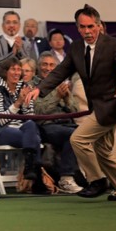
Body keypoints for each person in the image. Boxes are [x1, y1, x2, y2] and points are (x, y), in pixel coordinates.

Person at [27, 4, 116, 201]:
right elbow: (60, 71)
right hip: (96, 108)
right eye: (82, 27)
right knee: (104, 153)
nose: (87, 31)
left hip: (111, 107)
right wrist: (40, 89)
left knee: (78, 140)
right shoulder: (75, 48)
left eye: (91, 26)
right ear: (77, 28)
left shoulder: (115, 45)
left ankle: (97, 181)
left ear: (99, 26)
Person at [0, 58, 42, 186]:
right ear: (5, 72)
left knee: (31, 126)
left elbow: (30, 117)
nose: (17, 73)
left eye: (19, 69)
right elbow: (1, 119)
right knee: (34, 139)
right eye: (13, 69)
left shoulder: (24, 89)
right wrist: (18, 102)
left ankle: (30, 169)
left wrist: (25, 102)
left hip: (22, 129)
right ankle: (36, 177)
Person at [33, 52, 83, 193]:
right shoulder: (33, 85)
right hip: (46, 126)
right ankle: (66, 178)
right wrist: (57, 97)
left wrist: (66, 97)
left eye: (51, 65)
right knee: (73, 134)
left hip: (67, 123)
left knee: (90, 133)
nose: (48, 68)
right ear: (38, 66)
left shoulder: (60, 84)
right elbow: (38, 111)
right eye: (44, 64)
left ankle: (95, 177)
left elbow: (75, 109)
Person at [0, 11, 27, 96]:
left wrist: (19, 50)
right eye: (8, 22)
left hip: (18, 88)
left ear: (19, 25)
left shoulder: (26, 44)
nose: (11, 25)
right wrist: (13, 53)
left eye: (15, 22)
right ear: (2, 25)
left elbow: (28, 66)